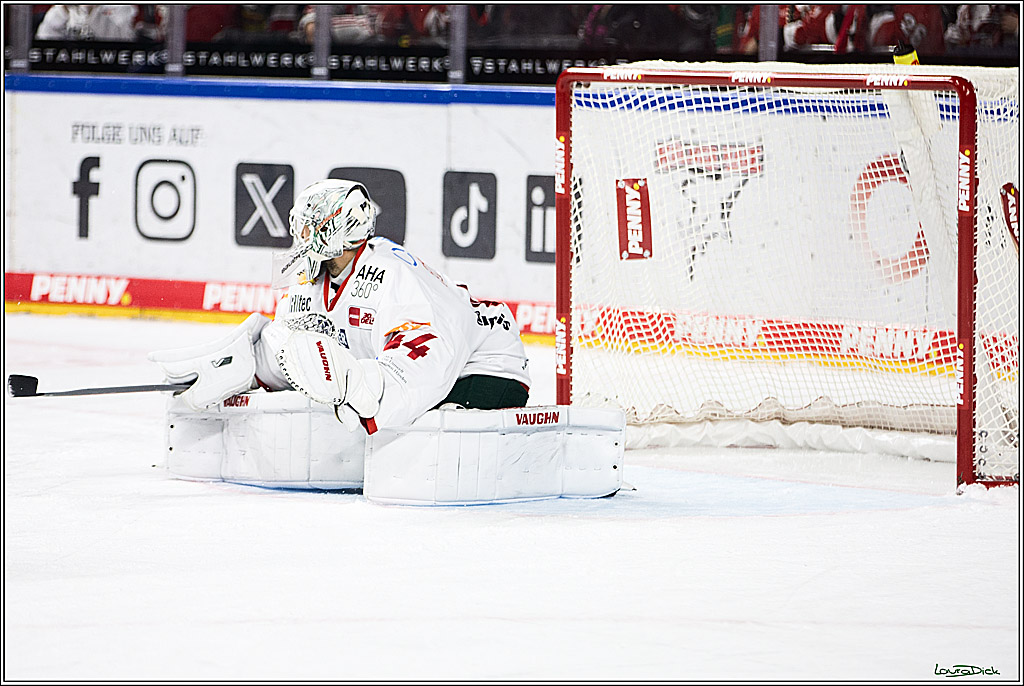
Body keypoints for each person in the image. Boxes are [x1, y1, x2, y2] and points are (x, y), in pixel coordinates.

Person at [150, 179, 531, 434]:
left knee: (421, 436)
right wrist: (250, 367)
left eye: (309, 227)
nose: (300, 237)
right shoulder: (311, 278)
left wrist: (370, 388)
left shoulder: (390, 273)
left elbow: (428, 357)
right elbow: (302, 355)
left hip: (485, 372)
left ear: (337, 230)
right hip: (439, 367)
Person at [35, 4, 139, 41]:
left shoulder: (121, 7)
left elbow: (120, 43)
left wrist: (93, 10)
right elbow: (44, 40)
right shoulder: (61, 9)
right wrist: (63, 11)